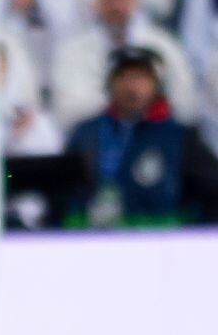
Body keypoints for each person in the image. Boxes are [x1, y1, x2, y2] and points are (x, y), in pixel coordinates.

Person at [63, 46, 218, 227]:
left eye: (140, 78)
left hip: (159, 247)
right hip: (89, 243)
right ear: (109, 84)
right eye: (123, 77)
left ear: (157, 85)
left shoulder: (180, 138)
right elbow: (62, 195)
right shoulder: (85, 133)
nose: (131, 87)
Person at [51, 0, 196, 130]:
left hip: (158, 136)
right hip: (98, 140)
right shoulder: (72, 51)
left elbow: (185, 100)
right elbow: (67, 109)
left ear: (136, 2)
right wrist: (125, 108)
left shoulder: (165, 45)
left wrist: (151, 113)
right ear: (96, 4)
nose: (116, 6)